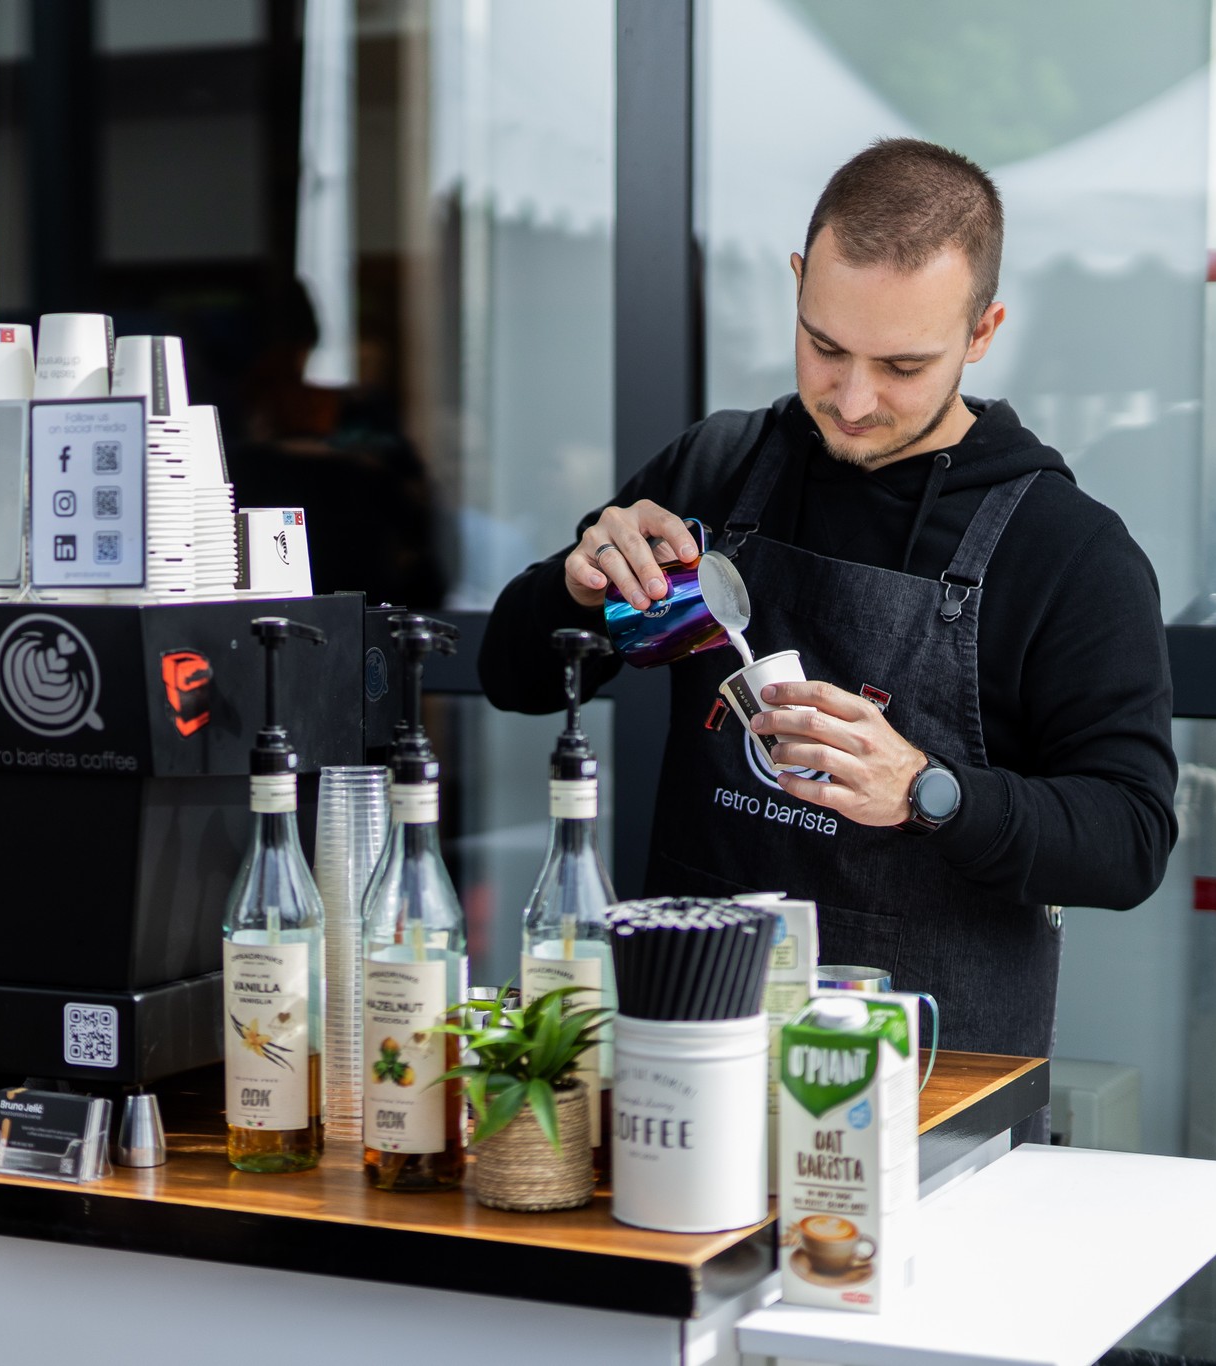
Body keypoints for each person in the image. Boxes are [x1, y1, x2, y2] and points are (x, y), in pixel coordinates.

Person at [480, 139, 1177, 1071]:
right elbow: (512, 676)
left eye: (902, 366)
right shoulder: (720, 470)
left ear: (982, 332)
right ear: (798, 284)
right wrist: (578, 586)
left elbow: (1131, 839)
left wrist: (926, 790)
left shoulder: (1066, 551)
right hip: (690, 1053)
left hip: (928, 1088)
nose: (852, 400)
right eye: (826, 347)